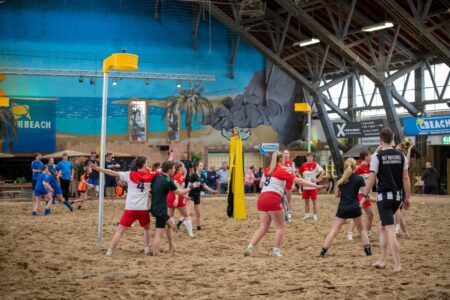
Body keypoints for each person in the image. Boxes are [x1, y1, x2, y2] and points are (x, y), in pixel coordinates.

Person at [244, 152, 324, 257]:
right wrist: (315, 185)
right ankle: (276, 250)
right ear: (281, 160)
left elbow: (261, 184)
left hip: (262, 197)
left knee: (263, 227)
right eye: (284, 158)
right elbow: (299, 180)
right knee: (280, 226)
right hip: (272, 197)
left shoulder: (268, 169)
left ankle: (250, 247)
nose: (286, 160)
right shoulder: (281, 170)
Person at [362, 128, 411, 272]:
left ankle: (397, 265)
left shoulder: (377, 156)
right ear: (393, 137)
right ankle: (382, 260)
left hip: (384, 198)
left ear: (380, 139)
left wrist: (365, 193)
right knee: (382, 226)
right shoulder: (402, 156)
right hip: (397, 198)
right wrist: (407, 198)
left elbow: (371, 178)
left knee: (389, 229)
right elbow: (405, 178)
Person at [89, 156, 158, 256]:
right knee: (146, 228)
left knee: (120, 230)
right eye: (147, 162)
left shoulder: (130, 174)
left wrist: (97, 168)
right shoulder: (150, 175)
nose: (147, 164)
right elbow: (161, 170)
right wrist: (171, 159)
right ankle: (146, 249)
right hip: (143, 209)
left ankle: (110, 251)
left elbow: (111, 172)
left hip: (130, 208)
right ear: (144, 164)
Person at [319, 158, 371, 257]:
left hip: (343, 207)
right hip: (355, 207)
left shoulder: (340, 179)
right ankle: (368, 252)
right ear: (355, 166)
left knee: (334, 231)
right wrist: (361, 202)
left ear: (344, 167)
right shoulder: (359, 179)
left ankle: (323, 251)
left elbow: (336, 195)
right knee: (362, 230)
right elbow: (365, 194)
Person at [150, 161, 195, 256]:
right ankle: (155, 252)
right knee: (159, 232)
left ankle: (171, 246)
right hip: (160, 209)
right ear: (169, 170)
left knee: (170, 224)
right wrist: (192, 186)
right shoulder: (168, 181)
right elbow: (180, 192)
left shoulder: (157, 177)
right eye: (173, 168)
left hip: (154, 207)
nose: (174, 170)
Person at [347, 151, 374, 241]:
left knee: (370, 215)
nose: (370, 157)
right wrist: (361, 165)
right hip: (358, 193)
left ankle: (368, 232)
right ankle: (349, 233)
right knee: (357, 214)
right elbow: (349, 172)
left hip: (366, 194)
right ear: (365, 157)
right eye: (369, 155)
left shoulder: (371, 166)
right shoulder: (358, 165)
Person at [189, 162, 218, 230]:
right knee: (188, 212)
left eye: (202, 166)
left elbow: (204, 186)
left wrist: (212, 191)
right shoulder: (193, 175)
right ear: (196, 167)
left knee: (198, 213)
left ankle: (198, 227)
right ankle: (179, 223)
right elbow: (189, 186)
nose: (202, 167)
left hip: (197, 195)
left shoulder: (202, 175)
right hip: (191, 195)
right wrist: (193, 186)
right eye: (200, 166)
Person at [169, 163, 194, 237]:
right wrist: (177, 199)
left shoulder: (172, 176)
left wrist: (185, 197)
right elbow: (178, 188)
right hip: (177, 196)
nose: (184, 168)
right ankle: (190, 234)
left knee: (171, 216)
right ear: (180, 168)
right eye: (183, 166)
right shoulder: (180, 176)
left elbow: (185, 172)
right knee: (186, 215)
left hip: (170, 196)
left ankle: (172, 231)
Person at [298, 152, 324, 221]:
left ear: (312, 157)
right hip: (305, 187)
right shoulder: (303, 165)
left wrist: (317, 179)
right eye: (308, 156)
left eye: (311, 156)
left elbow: (323, 172)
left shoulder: (315, 164)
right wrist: (301, 178)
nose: (309, 157)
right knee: (306, 202)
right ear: (306, 157)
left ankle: (315, 216)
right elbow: (298, 172)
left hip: (313, 187)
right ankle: (307, 215)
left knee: (314, 202)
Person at [282, 150, 296, 221]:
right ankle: (282, 213)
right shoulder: (280, 162)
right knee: (280, 199)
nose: (286, 154)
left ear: (289, 154)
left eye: (287, 153)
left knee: (288, 199)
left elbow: (293, 174)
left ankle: (289, 213)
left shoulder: (291, 163)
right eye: (284, 153)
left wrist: (294, 184)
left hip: (288, 182)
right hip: (281, 182)